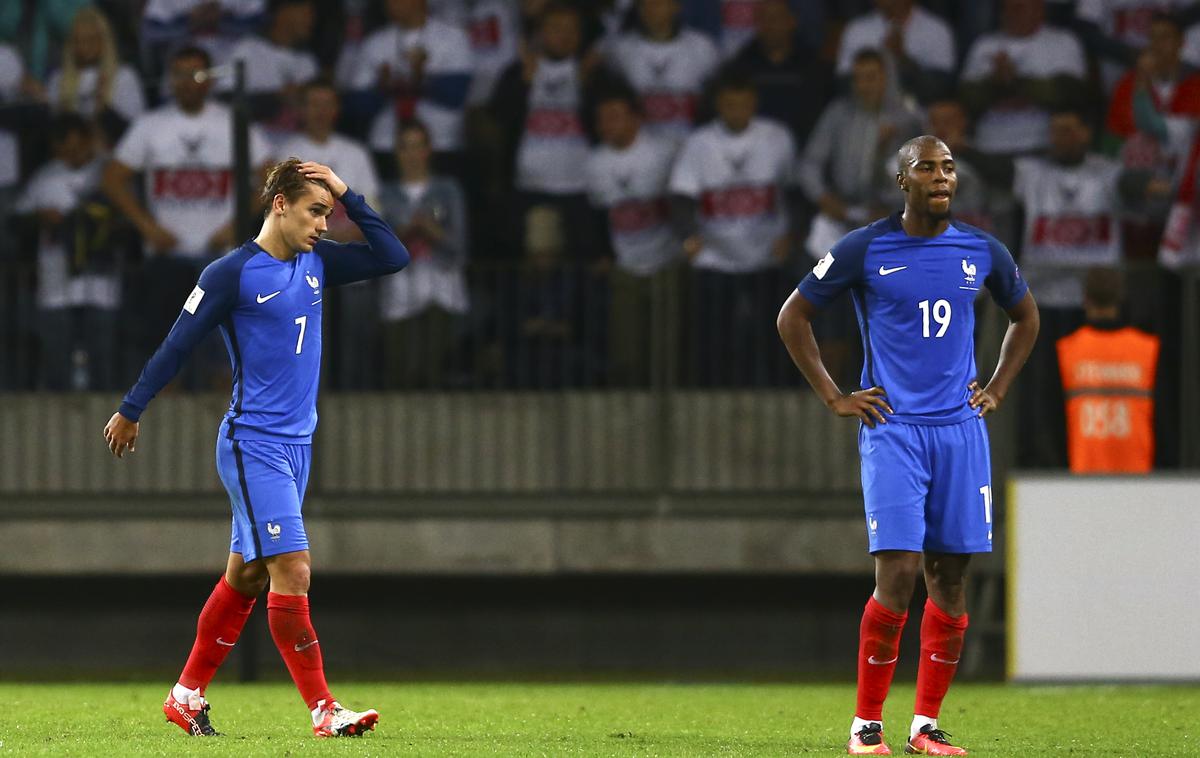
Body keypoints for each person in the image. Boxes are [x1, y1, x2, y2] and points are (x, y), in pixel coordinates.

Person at [102, 159, 409, 737]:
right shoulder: (230, 274)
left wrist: (348, 193)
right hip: (253, 443)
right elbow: (176, 345)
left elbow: (394, 256)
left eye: (329, 211)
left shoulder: (317, 262)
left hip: (297, 446)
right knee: (293, 567)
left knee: (246, 577)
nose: (325, 223)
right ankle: (324, 709)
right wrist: (131, 408)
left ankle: (185, 695)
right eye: (316, 211)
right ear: (279, 205)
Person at [776, 135, 1039, 756]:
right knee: (897, 572)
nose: (941, 177)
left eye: (948, 167)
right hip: (893, 429)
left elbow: (1026, 317)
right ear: (903, 181)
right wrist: (837, 395)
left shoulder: (982, 250)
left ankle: (926, 726)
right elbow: (793, 317)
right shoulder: (865, 247)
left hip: (960, 432)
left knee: (950, 576)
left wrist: (996, 387)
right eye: (927, 167)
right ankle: (866, 727)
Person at [377, 119, 470, 388]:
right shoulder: (386, 193)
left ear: (428, 150)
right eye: (405, 147)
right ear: (397, 152)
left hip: (441, 287)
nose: (412, 155)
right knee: (401, 367)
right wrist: (407, 231)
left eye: (418, 147)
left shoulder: (448, 190)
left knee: (434, 367)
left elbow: (460, 244)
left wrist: (430, 230)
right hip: (399, 290)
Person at [1056, 267, 1159, 473]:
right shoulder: (1148, 348)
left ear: (1085, 299)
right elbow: (1163, 421)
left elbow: (1052, 421)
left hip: (1082, 473)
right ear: (1121, 298)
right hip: (1140, 475)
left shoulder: (1067, 349)